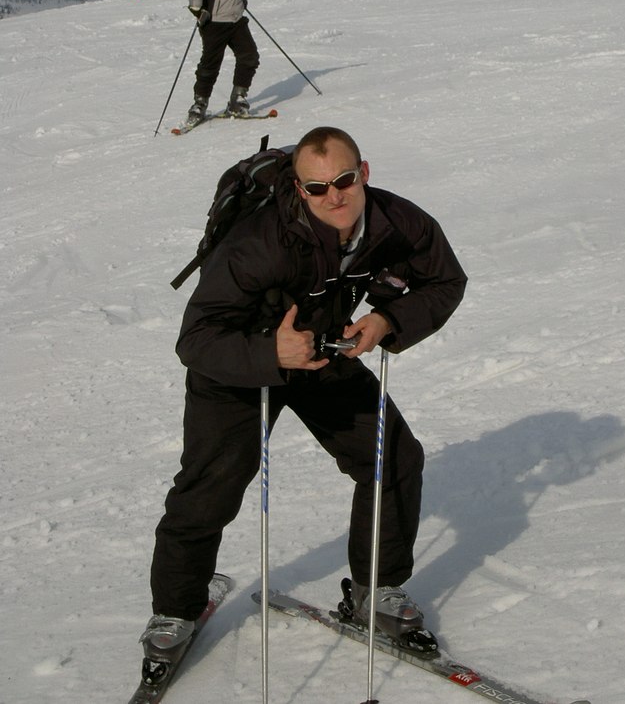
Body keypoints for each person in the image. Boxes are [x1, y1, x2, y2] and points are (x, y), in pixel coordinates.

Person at [141, 126, 467, 662]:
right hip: (238, 368)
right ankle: (176, 610)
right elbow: (195, 339)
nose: (333, 196)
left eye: (344, 180)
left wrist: (388, 319)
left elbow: (445, 280)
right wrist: (271, 351)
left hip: (324, 354)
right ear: (299, 189)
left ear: (363, 173)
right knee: (212, 485)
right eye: (317, 188)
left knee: (391, 457)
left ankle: (377, 589)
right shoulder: (257, 244)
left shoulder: (398, 222)